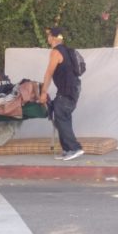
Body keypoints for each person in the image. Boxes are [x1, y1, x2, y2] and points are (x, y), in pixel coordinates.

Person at [39, 27, 84, 161]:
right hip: (72, 89)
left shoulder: (56, 52)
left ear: (53, 38)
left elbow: (49, 73)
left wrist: (43, 92)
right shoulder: (67, 51)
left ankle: (74, 148)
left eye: (48, 36)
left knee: (61, 117)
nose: (47, 38)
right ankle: (67, 149)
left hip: (66, 91)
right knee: (62, 118)